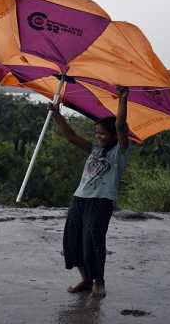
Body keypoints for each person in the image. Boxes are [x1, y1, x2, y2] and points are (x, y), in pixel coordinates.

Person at [49, 86, 131, 298]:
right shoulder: (95, 150)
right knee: (72, 240)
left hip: (100, 202)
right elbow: (71, 137)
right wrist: (57, 114)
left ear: (113, 135)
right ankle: (86, 280)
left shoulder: (119, 152)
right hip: (80, 198)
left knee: (92, 242)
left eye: (102, 133)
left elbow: (121, 126)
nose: (98, 137)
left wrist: (123, 100)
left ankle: (99, 282)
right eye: (96, 133)